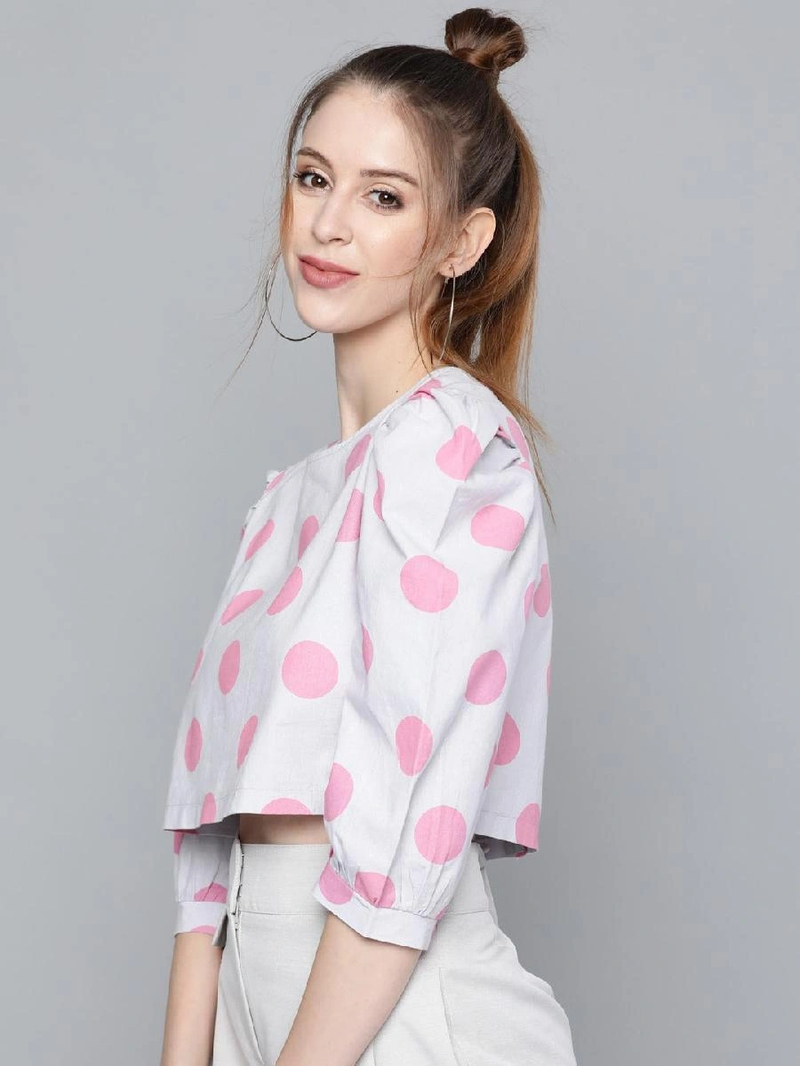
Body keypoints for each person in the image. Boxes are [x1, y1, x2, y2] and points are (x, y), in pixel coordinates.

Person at [159, 8, 578, 1065]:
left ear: (461, 243)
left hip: (396, 1013)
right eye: (313, 178)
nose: (328, 224)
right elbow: (208, 852)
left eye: (382, 196)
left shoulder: (453, 450)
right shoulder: (287, 503)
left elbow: (404, 829)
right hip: (269, 1000)